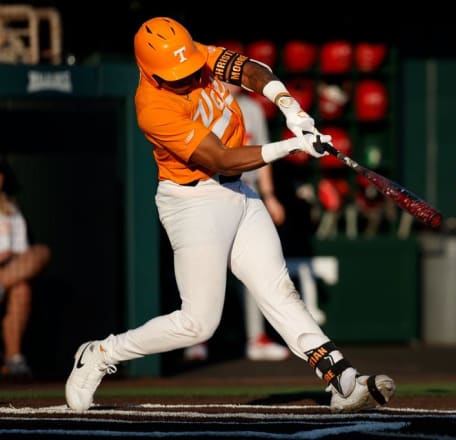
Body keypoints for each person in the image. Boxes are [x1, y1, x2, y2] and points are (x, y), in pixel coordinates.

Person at [64, 16, 395, 413]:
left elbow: (254, 71)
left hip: (239, 193)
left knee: (278, 288)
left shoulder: (192, 55)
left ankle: (341, 378)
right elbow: (220, 157)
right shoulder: (153, 108)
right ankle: (101, 353)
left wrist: (290, 108)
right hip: (193, 203)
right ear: (149, 71)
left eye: (188, 68)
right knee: (198, 323)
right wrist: (290, 147)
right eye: (176, 74)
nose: (187, 77)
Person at [183, 81, 290, 363]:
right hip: (211, 193)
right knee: (205, 270)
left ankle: (257, 338)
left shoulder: (252, 108)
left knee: (257, 269)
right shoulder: (201, 102)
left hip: (246, 193)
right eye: (228, 75)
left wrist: (270, 196)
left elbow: (262, 155)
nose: (235, 81)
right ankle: (197, 340)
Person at [0, 157, 50, 379]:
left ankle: (13, 359)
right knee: (20, 286)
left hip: (8, 268)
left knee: (40, 253)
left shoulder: (10, 211)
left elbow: (22, 252)